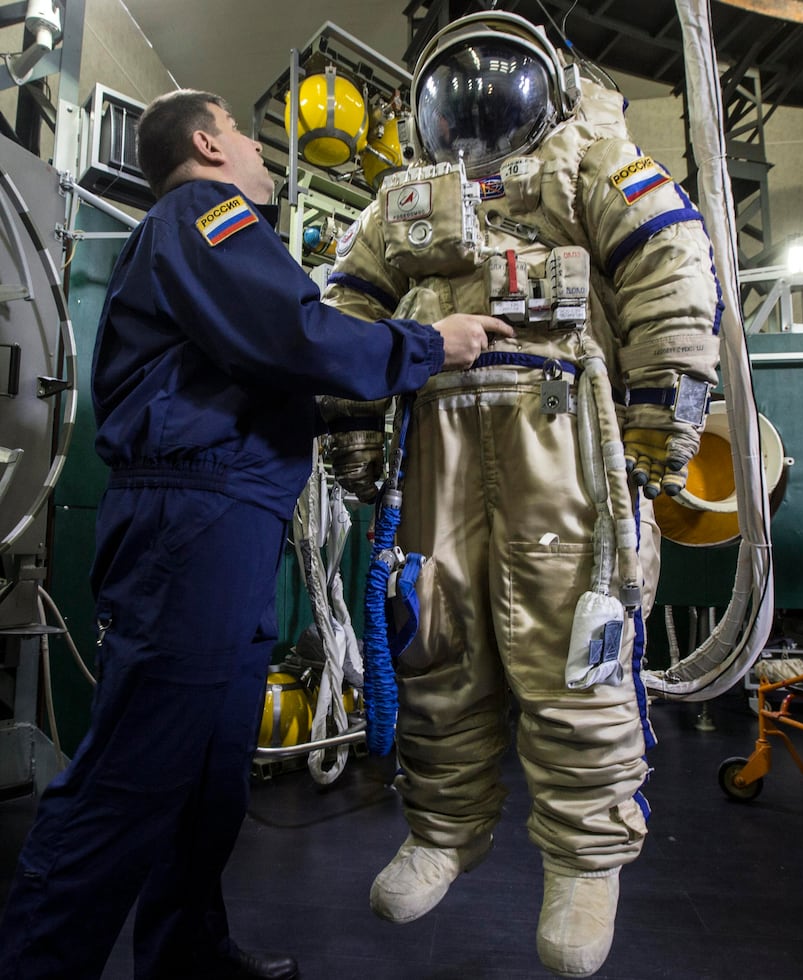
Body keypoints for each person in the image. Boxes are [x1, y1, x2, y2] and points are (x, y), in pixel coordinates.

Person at [0, 88, 511, 980]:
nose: (259, 148)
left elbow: (262, 371)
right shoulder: (205, 214)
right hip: (191, 523)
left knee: (207, 775)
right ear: (206, 142)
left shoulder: (201, 240)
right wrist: (426, 345)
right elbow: (291, 332)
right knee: (132, 775)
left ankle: (188, 955)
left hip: (227, 517)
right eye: (242, 129)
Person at [321, 13, 721, 978]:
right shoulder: (397, 204)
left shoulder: (600, 166)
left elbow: (668, 274)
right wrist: (350, 427)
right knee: (433, 636)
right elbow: (348, 306)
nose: (477, 102)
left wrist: (661, 419)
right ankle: (445, 829)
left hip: (564, 435)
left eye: (495, 84)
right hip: (435, 443)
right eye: (455, 89)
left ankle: (586, 861)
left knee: (574, 646)